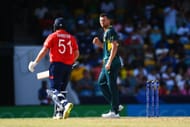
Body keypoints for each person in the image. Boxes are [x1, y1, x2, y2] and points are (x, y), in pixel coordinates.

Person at [28, 17, 79, 119]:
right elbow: (77, 53)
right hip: (68, 66)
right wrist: (70, 62)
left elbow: (44, 51)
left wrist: (35, 63)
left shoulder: (53, 36)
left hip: (56, 65)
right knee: (62, 90)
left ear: (55, 26)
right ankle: (59, 113)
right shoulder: (71, 37)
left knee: (53, 90)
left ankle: (64, 104)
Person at [92, 13, 123, 118]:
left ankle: (115, 112)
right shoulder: (106, 32)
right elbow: (108, 48)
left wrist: (109, 62)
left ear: (109, 21)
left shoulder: (110, 31)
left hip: (112, 62)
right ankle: (116, 105)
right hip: (108, 61)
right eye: (101, 20)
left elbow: (115, 47)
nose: (102, 22)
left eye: (104, 20)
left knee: (112, 85)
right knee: (101, 82)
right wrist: (99, 44)